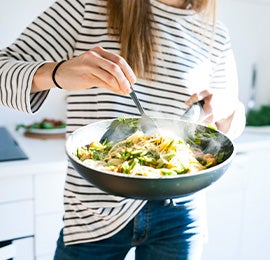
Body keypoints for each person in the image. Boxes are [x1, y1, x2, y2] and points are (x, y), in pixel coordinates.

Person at [0, 0, 245, 259]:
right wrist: (57, 72)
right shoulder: (86, 7)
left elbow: (231, 126)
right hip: (94, 212)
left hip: (179, 212)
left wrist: (228, 109)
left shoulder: (215, 33)